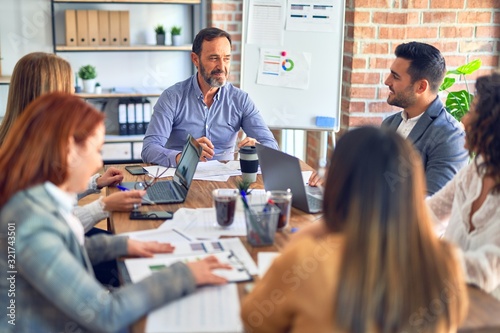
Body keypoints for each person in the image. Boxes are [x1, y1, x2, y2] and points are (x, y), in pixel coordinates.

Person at [0, 92, 230, 332]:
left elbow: (65, 250)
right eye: (97, 150)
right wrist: (184, 275)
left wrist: (121, 245)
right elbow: (106, 314)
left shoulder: (36, 198)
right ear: (69, 150)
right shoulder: (31, 223)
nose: (98, 163)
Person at [241, 127, 468, 333]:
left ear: (338, 182)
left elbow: (253, 318)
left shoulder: (306, 260)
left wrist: (313, 231)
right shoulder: (446, 264)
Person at [0, 52, 144, 231]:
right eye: (68, 86)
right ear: (51, 94)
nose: (74, 91)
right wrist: (103, 207)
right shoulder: (32, 157)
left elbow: (57, 199)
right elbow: (59, 229)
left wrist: (94, 183)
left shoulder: (16, 139)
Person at [141, 27, 278, 167]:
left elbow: (271, 145)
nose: (222, 66)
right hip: (182, 179)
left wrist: (259, 148)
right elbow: (149, 149)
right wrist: (185, 157)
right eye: (214, 58)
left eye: (226, 59)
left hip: (225, 182)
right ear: (195, 59)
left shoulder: (240, 100)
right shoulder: (172, 97)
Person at [427, 72, 500, 300]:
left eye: (473, 111)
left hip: (485, 318)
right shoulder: (477, 167)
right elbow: (431, 212)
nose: (464, 120)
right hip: (447, 298)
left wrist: (426, 254)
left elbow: (485, 270)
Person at [382, 42, 468, 195]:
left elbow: (434, 206)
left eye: (395, 76)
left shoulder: (451, 136)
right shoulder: (389, 123)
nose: (387, 81)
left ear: (421, 87)